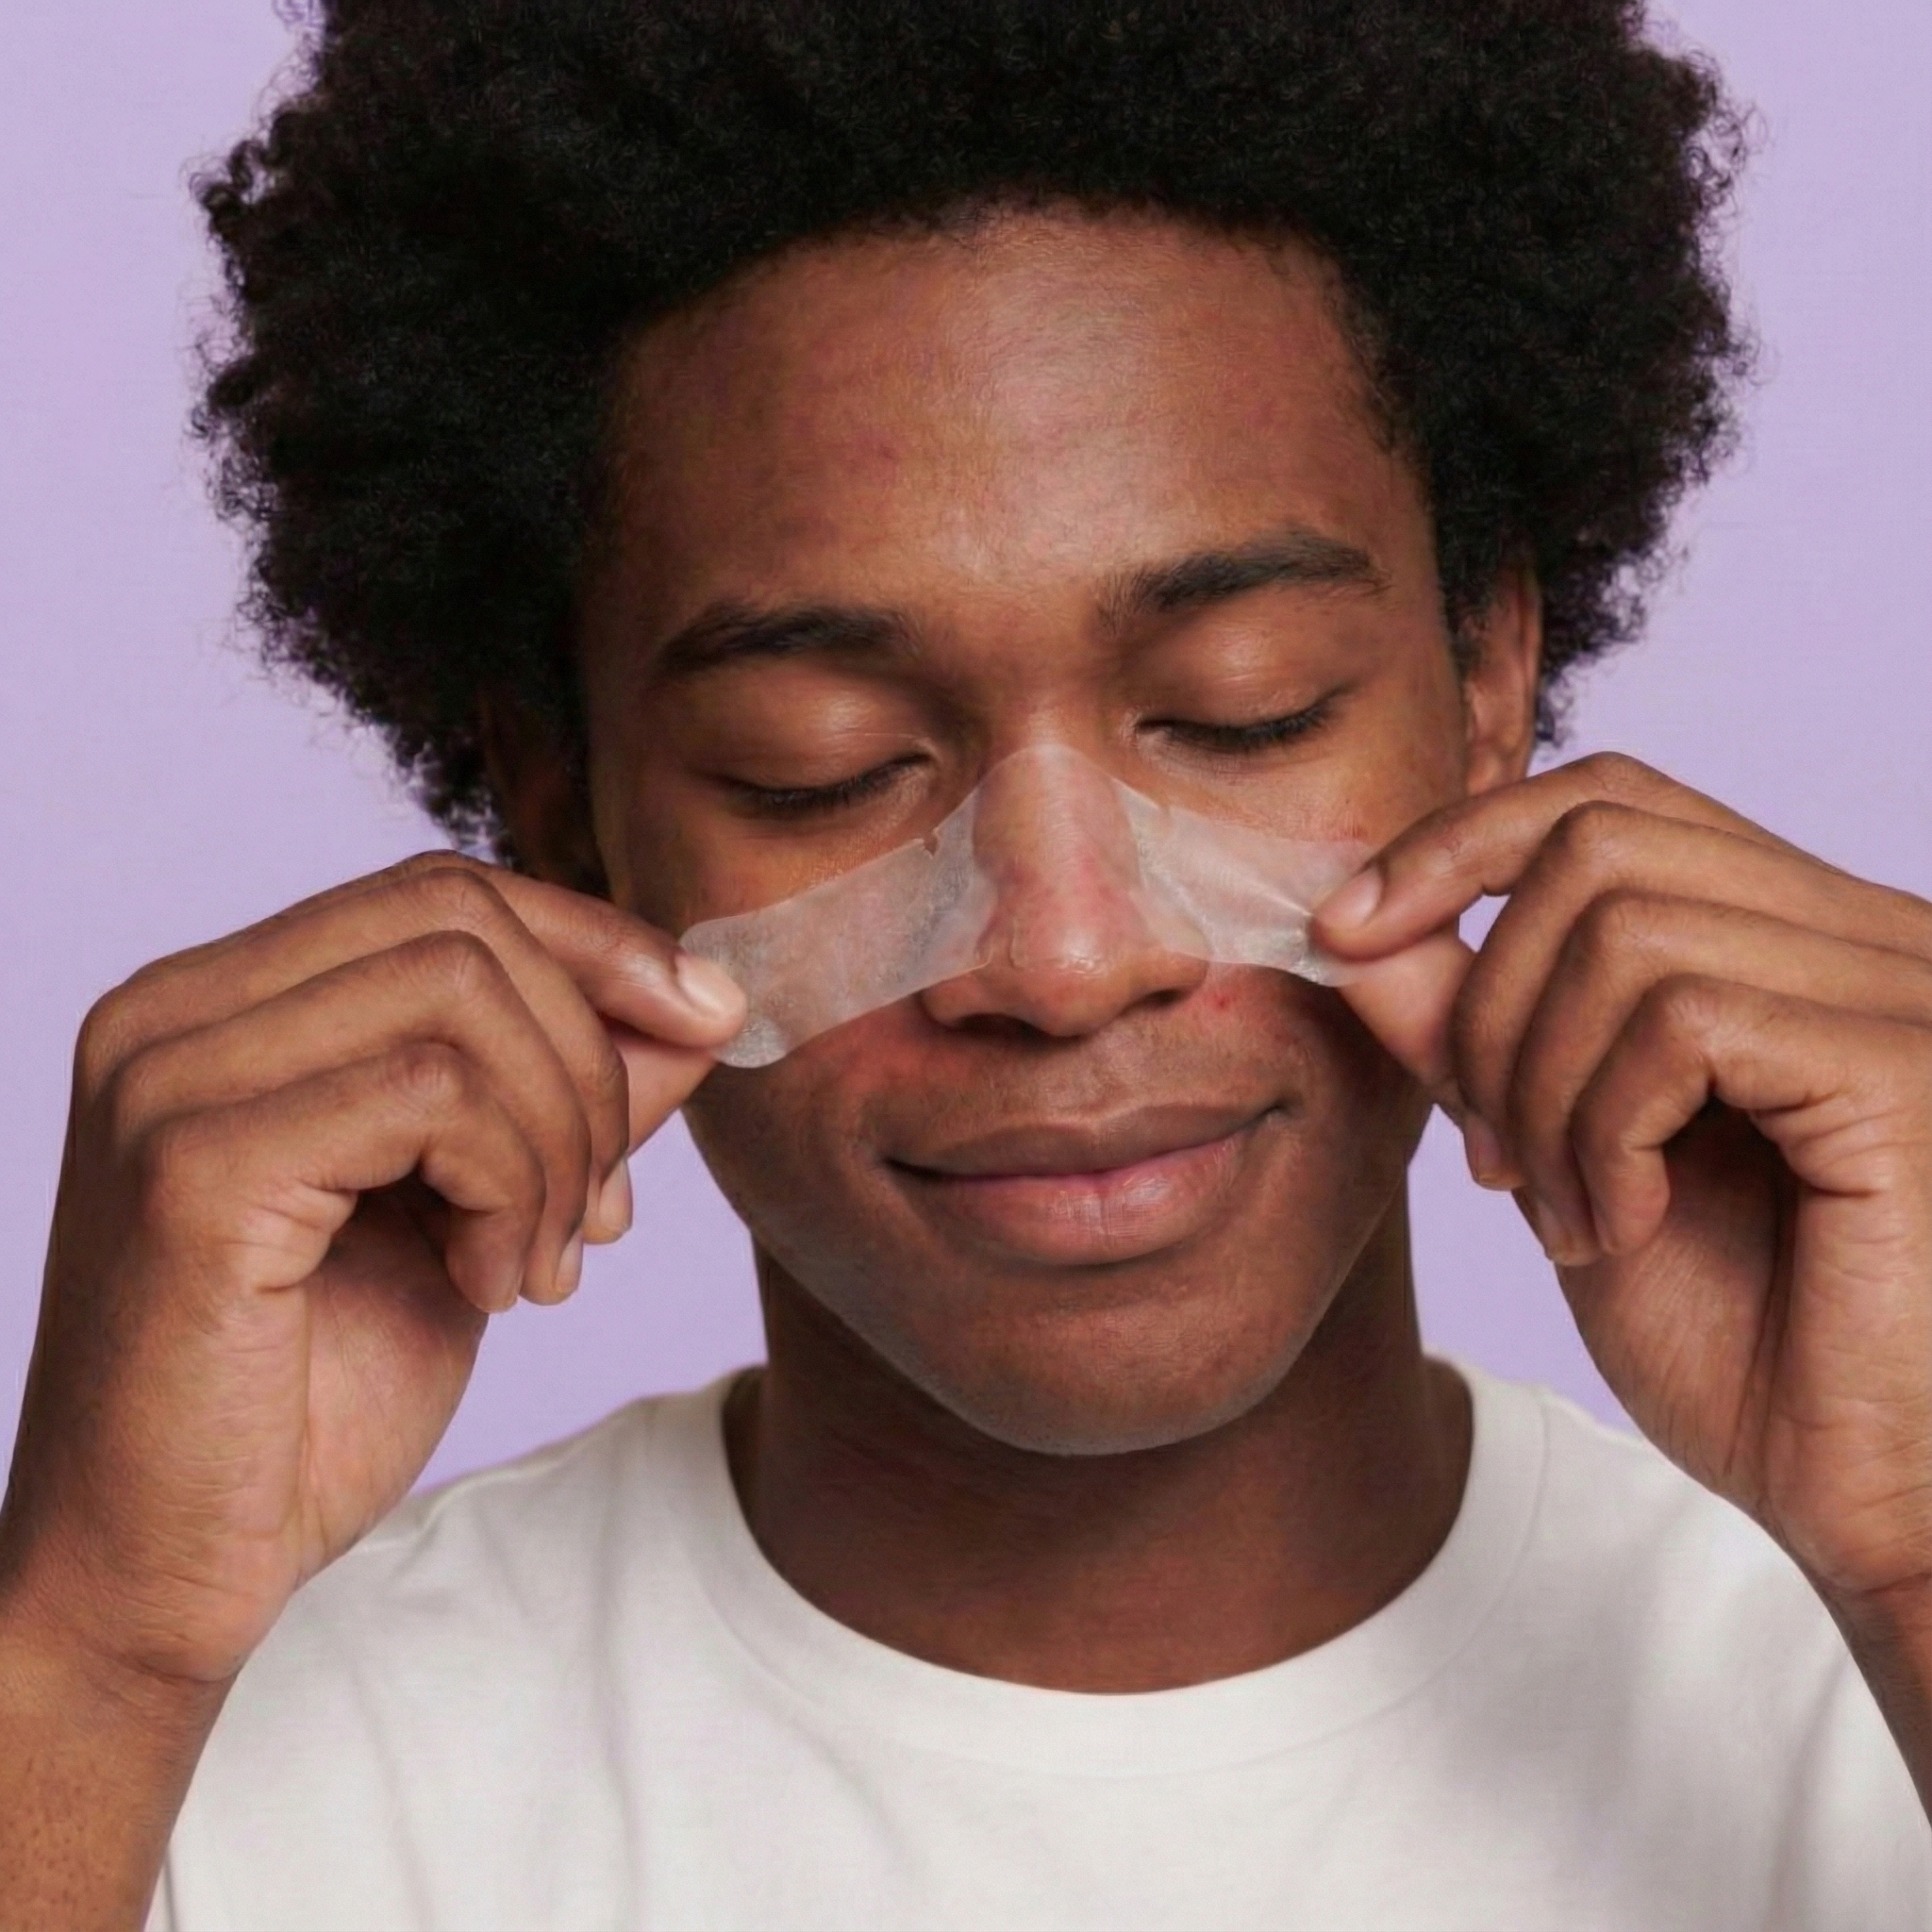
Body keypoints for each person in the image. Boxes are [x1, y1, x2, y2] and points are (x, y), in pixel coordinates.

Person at [3, 0, 1930, 1924]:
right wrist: (90, 1650)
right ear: (565, 803)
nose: (1065, 957)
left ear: (1485, 681)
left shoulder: (1855, 1695)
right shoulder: (201, 1781)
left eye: (1242, 712)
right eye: (821, 766)